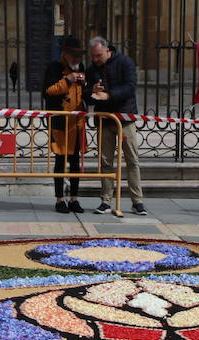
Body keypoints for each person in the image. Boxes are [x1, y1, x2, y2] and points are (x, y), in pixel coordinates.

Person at [86, 36, 146, 216]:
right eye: (93, 57)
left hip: (124, 118)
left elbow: (130, 87)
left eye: (98, 56)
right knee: (105, 161)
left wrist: (109, 95)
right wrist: (93, 92)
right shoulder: (91, 69)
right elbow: (87, 95)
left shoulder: (125, 62)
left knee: (132, 160)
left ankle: (137, 201)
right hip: (104, 120)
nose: (96, 60)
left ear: (106, 50)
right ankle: (105, 200)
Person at [42, 35, 88, 214]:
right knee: (60, 160)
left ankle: (74, 199)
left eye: (79, 56)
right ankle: (59, 199)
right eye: (74, 55)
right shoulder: (54, 67)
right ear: (66, 54)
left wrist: (85, 84)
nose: (77, 59)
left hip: (76, 123)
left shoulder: (81, 68)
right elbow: (48, 92)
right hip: (60, 121)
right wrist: (67, 80)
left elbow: (85, 91)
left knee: (75, 162)